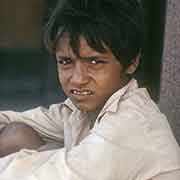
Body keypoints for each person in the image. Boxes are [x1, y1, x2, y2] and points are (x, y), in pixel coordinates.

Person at [0, 0, 180, 179]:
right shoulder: (81, 112)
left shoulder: (130, 125)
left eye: (95, 62)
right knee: (17, 134)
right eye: (66, 62)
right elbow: (10, 121)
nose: (78, 79)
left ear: (132, 62)